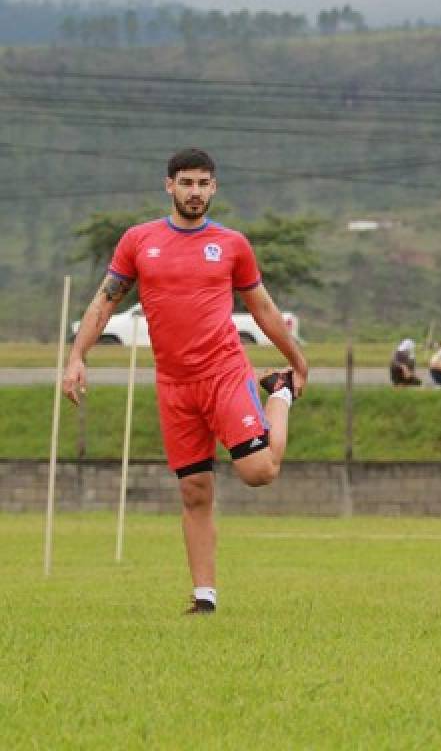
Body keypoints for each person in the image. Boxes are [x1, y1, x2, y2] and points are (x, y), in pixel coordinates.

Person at [62, 148, 308, 616]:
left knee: (259, 473)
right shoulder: (138, 241)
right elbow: (104, 302)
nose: (195, 192)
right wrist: (77, 356)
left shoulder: (232, 244)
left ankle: (277, 394)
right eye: (186, 183)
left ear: (214, 188)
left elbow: (264, 309)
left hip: (223, 372)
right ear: (169, 186)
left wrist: (297, 361)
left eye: (203, 183)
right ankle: (204, 597)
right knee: (194, 490)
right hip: (174, 384)